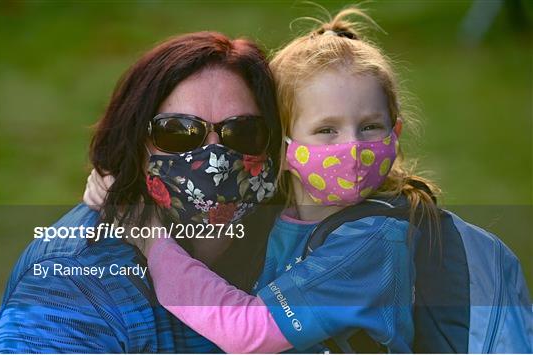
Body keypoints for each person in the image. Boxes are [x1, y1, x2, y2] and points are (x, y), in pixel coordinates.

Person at [84, 8, 442, 353]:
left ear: (395, 133)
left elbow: (248, 335)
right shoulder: (279, 211)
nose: (352, 146)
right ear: (282, 145)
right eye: (326, 130)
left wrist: (151, 242)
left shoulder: (371, 239)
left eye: (370, 126)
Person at [0, 31, 283, 353]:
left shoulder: (296, 247)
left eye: (242, 132)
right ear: (134, 143)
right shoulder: (72, 281)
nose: (214, 158)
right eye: (177, 133)